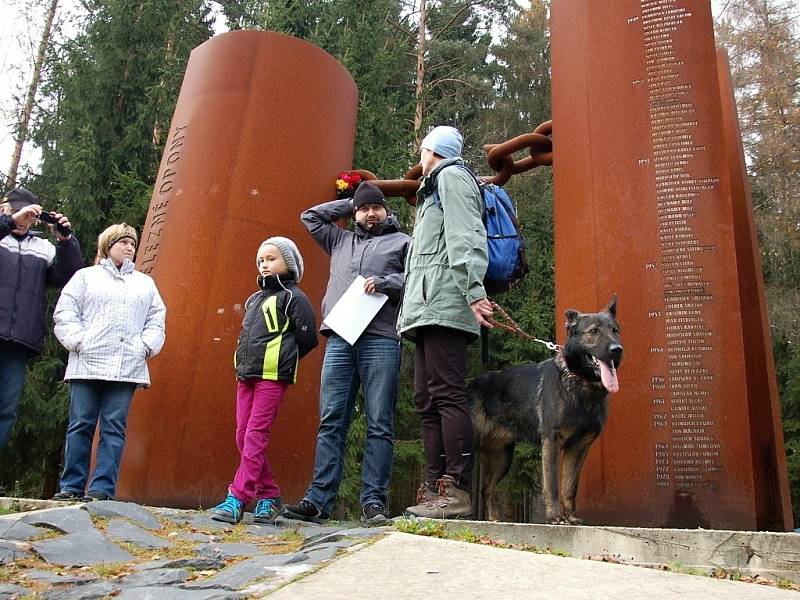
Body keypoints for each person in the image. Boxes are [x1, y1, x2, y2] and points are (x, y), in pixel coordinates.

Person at [283, 182, 409, 526]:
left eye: (376, 208)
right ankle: (318, 501)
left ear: (386, 211)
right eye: (364, 209)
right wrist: (350, 202)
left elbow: (415, 279)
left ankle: (373, 503)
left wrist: (386, 282)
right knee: (331, 421)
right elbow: (309, 217)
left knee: (379, 422)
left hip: (381, 338)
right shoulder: (339, 239)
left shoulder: (403, 243)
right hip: (339, 336)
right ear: (355, 212)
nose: (371, 214)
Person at [399, 126, 493, 519]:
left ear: (430, 150)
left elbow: (466, 237)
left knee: (448, 395)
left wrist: (474, 292)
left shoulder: (452, 177)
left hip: (448, 304)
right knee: (427, 399)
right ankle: (434, 486)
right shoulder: (432, 187)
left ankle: (456, 490)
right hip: (426, 306)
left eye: (421, 149)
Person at [51, 223, 165, 501]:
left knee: (114, 426)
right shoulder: (85, 277)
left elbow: (156, 320)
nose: (129, 247)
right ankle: (71, 487)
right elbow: (65, 313)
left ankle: (102, 489)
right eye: (123, 242)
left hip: (126, 366)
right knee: (80, 424)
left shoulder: (144, 283)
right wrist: (78, 341)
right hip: (87, 361)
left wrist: (145, 347)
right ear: (107, 245)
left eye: (132, 244)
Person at [210, 236, 318, 524]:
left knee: (255, 435)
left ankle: (238, 498)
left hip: (272, 376)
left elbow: (308, 338)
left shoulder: (294, 297)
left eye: (272, 259)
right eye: (260, 260)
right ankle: (268, 495)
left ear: (289, 263)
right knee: (242, 435)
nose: (264, 265)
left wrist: (282, 361)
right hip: (246, 374)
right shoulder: (254, 299)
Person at [0, 188, 82, 458]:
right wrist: (11, 223)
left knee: (6, 410)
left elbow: (68, 278)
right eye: (19, 211)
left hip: (19, 342)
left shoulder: (43, 248)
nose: (26, 218)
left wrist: (66, 241)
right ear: (5, 208)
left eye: (31, 213)